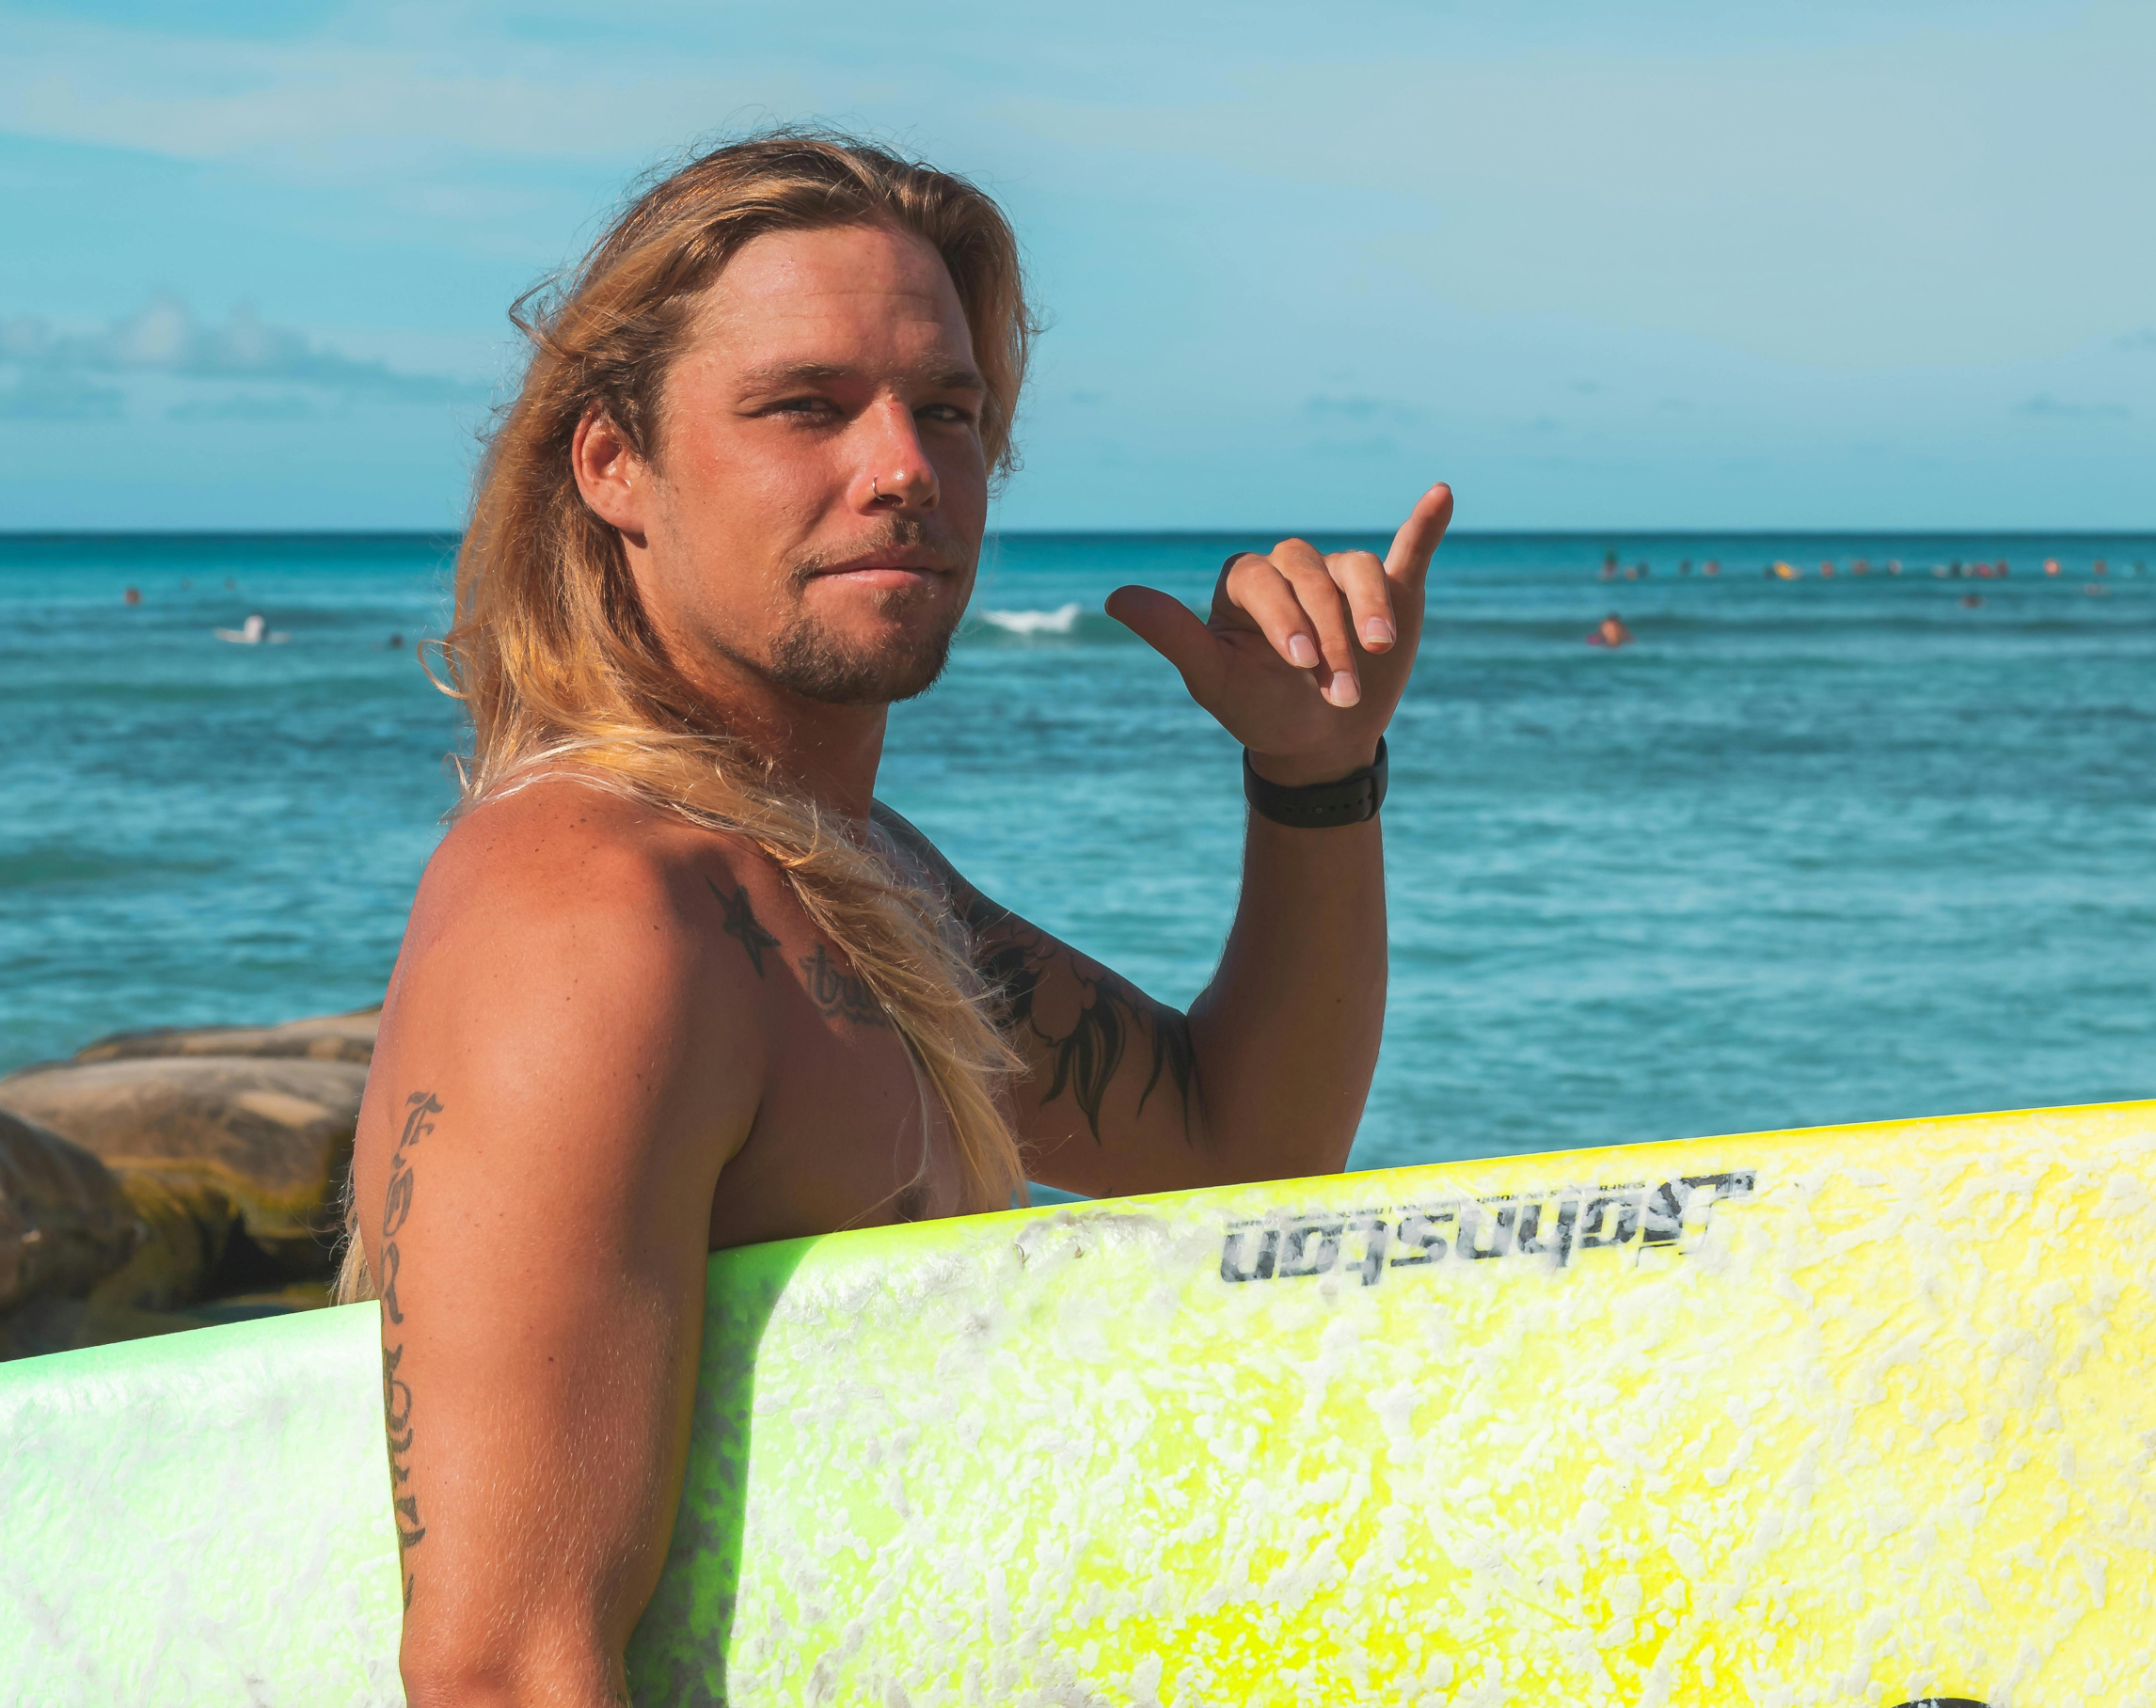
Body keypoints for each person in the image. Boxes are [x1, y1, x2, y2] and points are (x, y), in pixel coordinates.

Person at [342, 134, 1452, 1706]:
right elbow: (506, 1670)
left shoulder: (837, 879)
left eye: (947, 411)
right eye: (806, 406)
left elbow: (1241, 1149)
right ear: (612, 466)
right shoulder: (597, 911)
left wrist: (1315, 777)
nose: (905, 468)